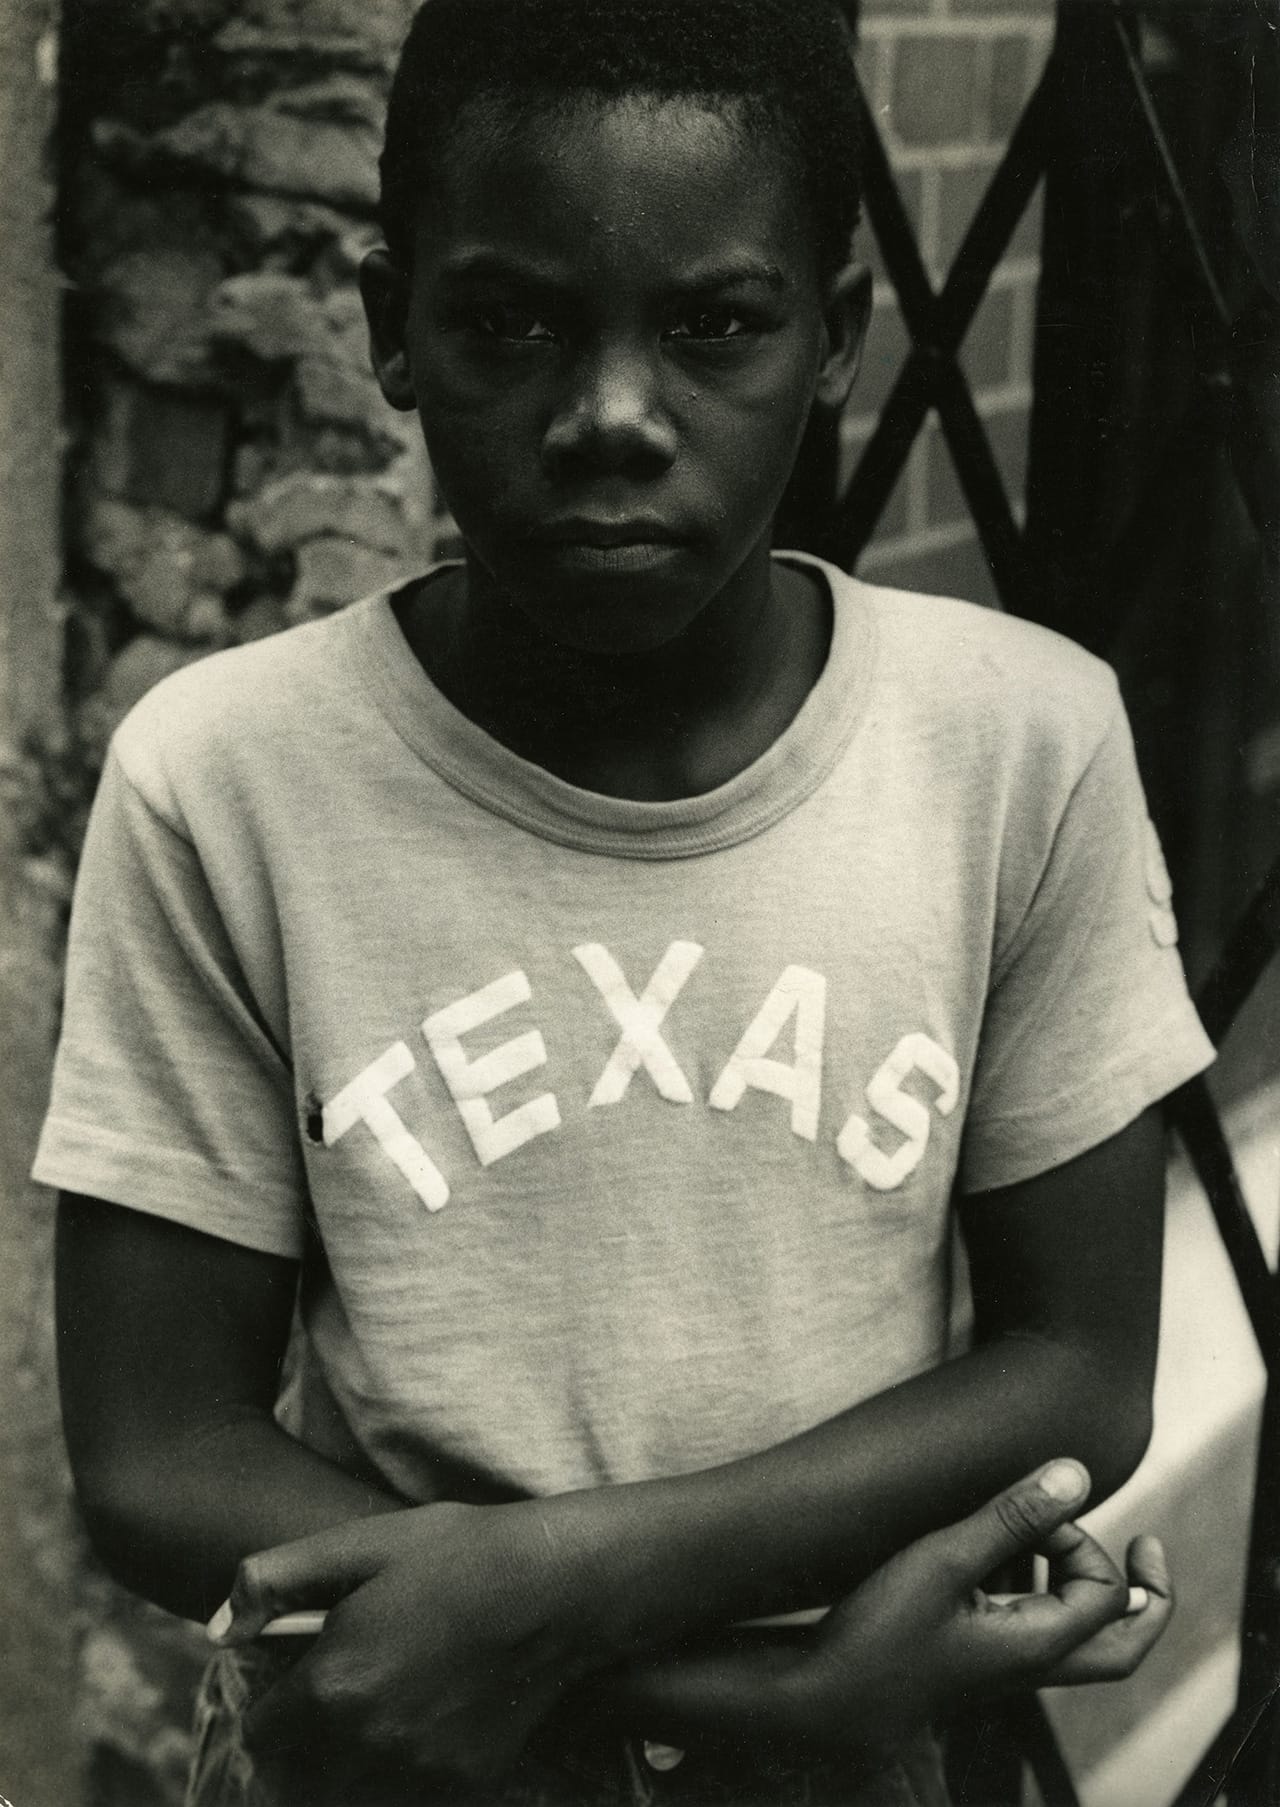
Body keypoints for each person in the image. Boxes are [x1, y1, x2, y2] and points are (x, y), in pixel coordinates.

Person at [40, 0, 1214, 1801]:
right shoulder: (230, 775)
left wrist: (556, 1593)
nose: (608, 415)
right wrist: (750, 1696)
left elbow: (1077, 1367)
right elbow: (154, 1451)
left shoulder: (1016, 741)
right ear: (388, 329)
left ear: (834, 335)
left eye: (715, 325)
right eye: (510, 322)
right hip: (408, 1759)